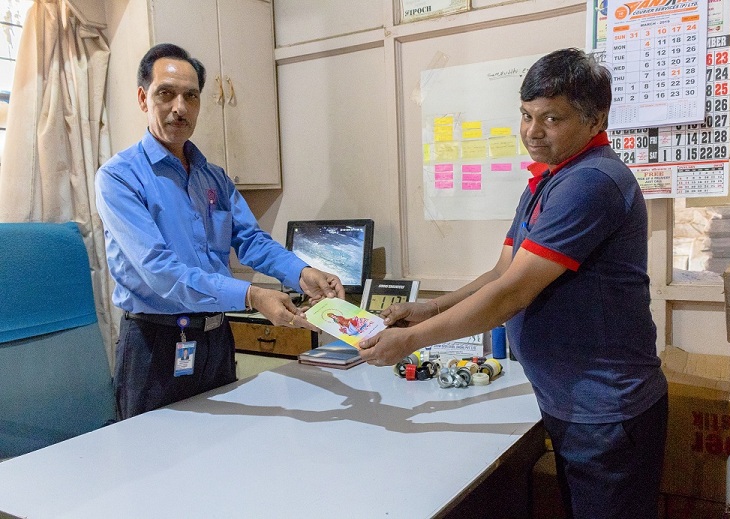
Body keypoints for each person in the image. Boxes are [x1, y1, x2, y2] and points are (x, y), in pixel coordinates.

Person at [359, 48, 668, 519]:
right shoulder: (547, 180)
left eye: (551, 118)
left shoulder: (592, 182)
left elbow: (512, 293)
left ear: (596, 119)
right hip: (571, 401)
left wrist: (411, 341)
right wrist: (429, 309)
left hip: (606, 409)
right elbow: (502, 271)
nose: (532, 131)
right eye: (526, 115)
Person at [95, 43, 344, 420]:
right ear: (144, 98)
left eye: (190, 96)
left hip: (216, 339)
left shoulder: (214, 178)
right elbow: (160, 272)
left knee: (227, 449)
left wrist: (302, 273)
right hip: (154, 344)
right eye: (166, 93)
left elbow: (250, 241)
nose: (180, 107)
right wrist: (252, 296)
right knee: (154, 453)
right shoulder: (119, 178)